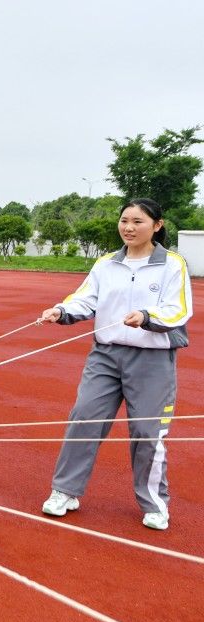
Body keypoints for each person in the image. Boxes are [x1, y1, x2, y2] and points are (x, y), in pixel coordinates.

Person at [38, 198, 192, 531]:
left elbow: (178, 309)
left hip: (152, 358)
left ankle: (154, 502)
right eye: (124, 220)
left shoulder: (172, 265)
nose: (129, 228)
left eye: (138, 221)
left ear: (157, 225)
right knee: (84, 418)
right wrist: (61, 311)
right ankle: (65, 491)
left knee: (147, 432)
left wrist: (148, 317)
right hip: (105, 357)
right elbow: (85, 298)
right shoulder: (106, 263)